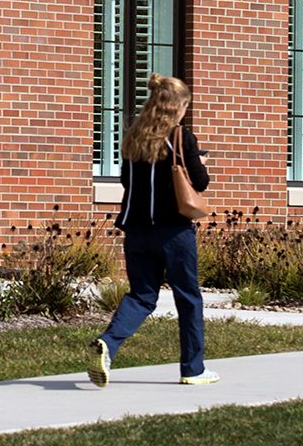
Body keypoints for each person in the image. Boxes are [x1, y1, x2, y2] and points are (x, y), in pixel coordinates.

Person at [87, 73, 215, 387]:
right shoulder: (181, 137)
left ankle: (108, 343)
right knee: (188, 298)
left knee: (142, 296)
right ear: (176, 107)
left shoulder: (132, 138)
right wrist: (196, 160)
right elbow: (200, 182)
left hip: (137, 231)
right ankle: (193, 369)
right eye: (185, 106)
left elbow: (127, 184)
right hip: (174, 233)